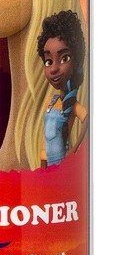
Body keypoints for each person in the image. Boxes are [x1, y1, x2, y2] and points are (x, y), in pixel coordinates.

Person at [36, 10, 89, 167]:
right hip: (47, 165)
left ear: (76, 61)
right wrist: (42, 162)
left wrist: (75, 148)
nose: (53, 69)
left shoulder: (73, 105)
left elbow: (88, 119)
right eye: (48, 61)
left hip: (62, 164)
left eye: (64, 58)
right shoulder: (50, 102)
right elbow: (46, 139)